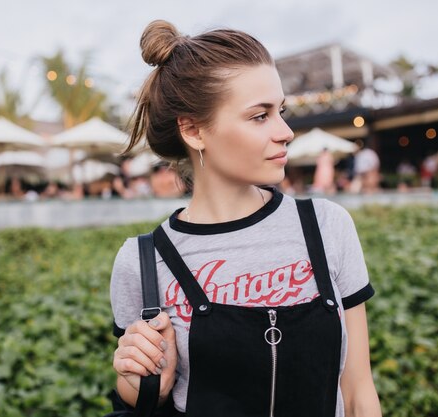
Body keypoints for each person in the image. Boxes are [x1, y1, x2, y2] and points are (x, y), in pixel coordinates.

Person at [110, 20, 381, 417]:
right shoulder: (143, 262)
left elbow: (358, 391)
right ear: (194, 130)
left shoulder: (326, 226)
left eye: (281, 111)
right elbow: (141, 397)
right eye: (260, 116)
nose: (285, 131)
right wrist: (142, 384)